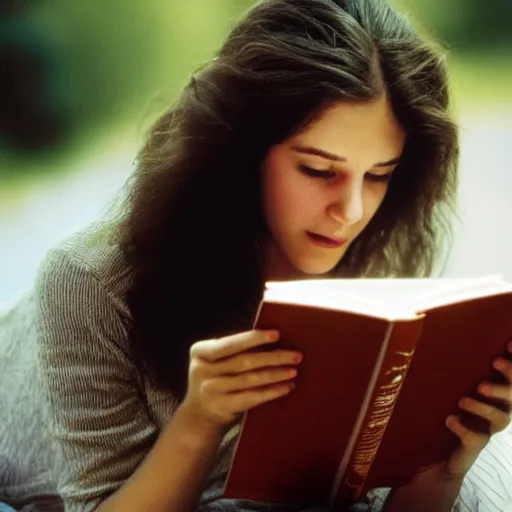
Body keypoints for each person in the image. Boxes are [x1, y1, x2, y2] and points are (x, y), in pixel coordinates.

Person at [0, 0, 511, 511]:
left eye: (378, 174)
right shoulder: (92, 281)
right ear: (242, 151)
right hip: (46, 467)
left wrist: (440, 466)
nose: (351, 211)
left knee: (488, 474)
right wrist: (199, 421)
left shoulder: (367, 271)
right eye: (317, 170)